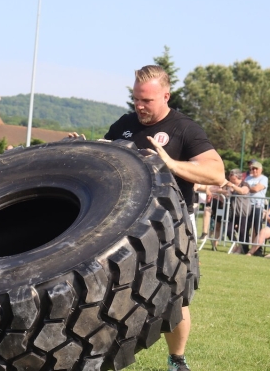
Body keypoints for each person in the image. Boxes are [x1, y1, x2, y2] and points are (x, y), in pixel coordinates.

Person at [71, 65, 225, 371]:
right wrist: (84, 147)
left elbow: (216, 173)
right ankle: (95, 357)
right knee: (100, 290)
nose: (139, 106)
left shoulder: (185, 129)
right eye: (136, 99)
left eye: (147, 101)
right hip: (119, 224)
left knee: (174, 299)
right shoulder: (125, 124)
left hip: (171, 226)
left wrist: (170, 163)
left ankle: (177, 360)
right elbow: (108, 156)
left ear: (165, 96)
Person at [244, 161, 268, 255]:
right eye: (252, 168)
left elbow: (256, 189)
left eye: (256, 168)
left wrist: (248, 187)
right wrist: (250, 187)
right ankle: (245, 247)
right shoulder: (248, 178)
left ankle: (258, 250)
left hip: (258, 205)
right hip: (247, 205)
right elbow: (245, 188)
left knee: (257, 228)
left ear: (261, 169)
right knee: (246, 227)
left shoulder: (264, 178)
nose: (254, 170)